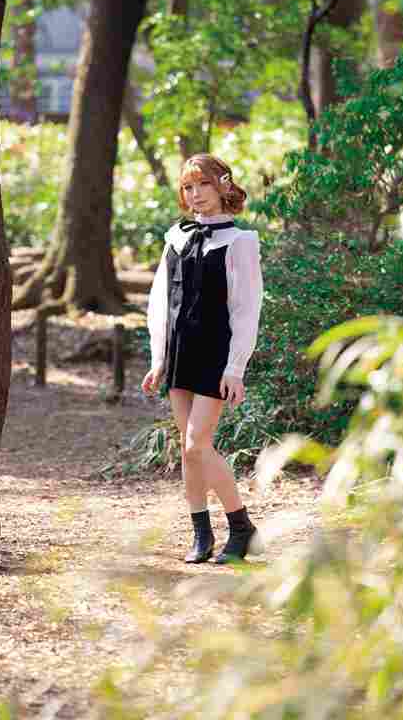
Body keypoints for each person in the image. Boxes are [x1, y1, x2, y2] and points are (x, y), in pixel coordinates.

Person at [141, 153, 264, 565]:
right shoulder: (176, 237)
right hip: (180, 351)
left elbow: (246, 309)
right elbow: (160, 301)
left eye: (204, 185)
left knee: (197, 444)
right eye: (188, 187)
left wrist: (235, 368)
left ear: (223, 186)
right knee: (187, 447)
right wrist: (159, 357)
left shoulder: (240, 242)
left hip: (215, 353)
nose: (195, 194)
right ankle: (201, 533)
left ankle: (242, 526)